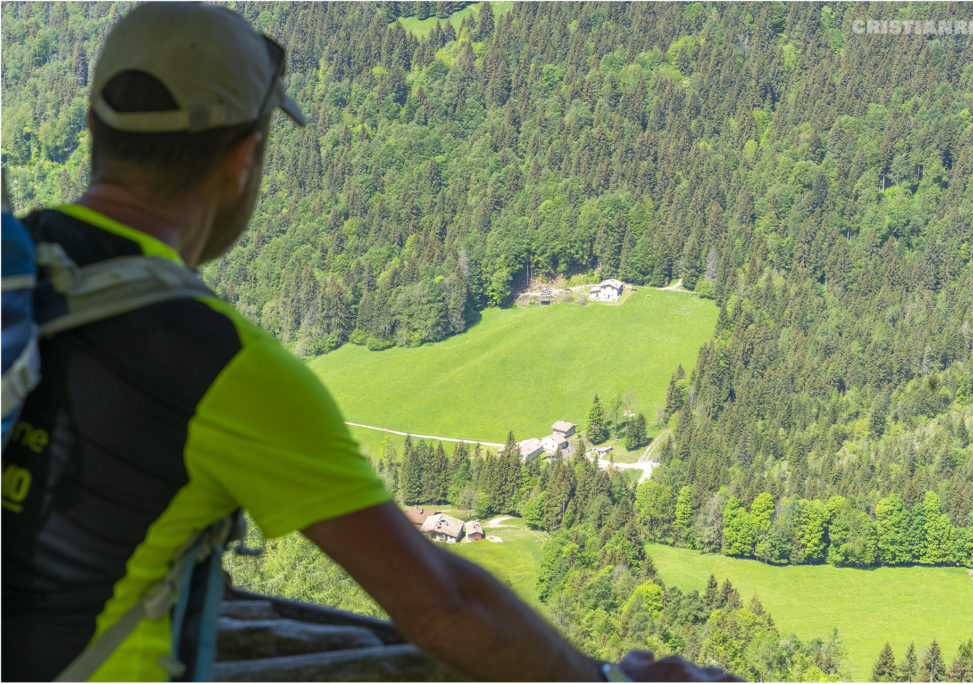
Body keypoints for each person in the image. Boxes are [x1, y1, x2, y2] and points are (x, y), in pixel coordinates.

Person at [1, 4, 728, 682]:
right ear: (243, 158)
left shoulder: (15, 275)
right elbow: (446, 609)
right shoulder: (223, 370)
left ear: (95, 129)